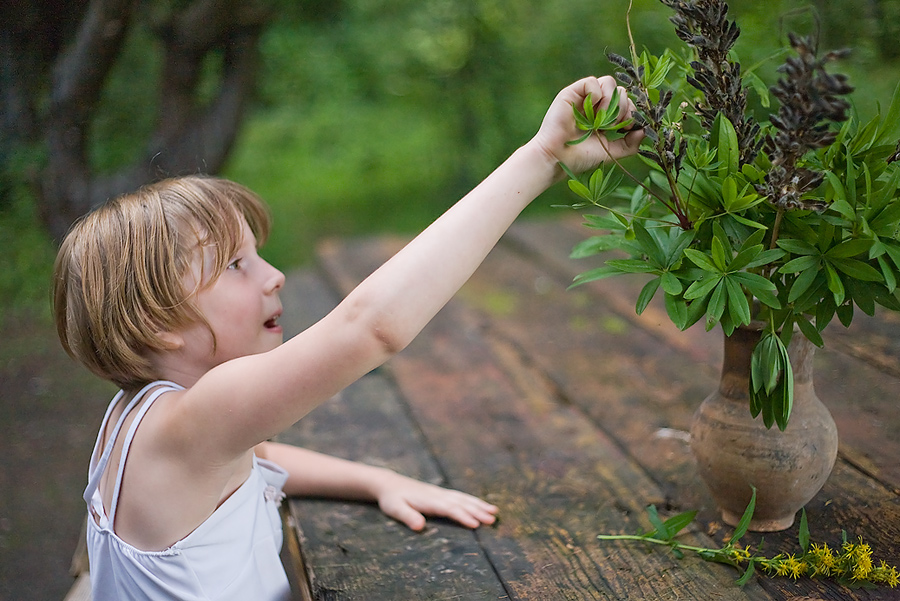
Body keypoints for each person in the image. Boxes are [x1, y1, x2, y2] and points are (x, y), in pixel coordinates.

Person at [52, 75, 642, 600]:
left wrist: (374, 480)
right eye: (235, 265)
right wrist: (542, 157)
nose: (274, 274)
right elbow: (371, 327)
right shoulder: (195, 420)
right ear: (156, 320)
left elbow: (262, 457)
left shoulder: (139, 418)